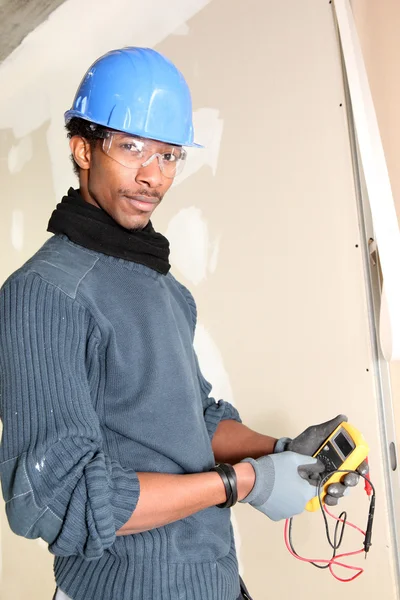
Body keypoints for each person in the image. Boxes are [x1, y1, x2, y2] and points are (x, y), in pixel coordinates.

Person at [0, 47, 362, 600]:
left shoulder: (166, 290)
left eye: (170, 155)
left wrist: (282, 452)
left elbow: (194, 421)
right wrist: (240, 483)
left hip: (212, 580)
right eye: (131, 147)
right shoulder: (45, 293)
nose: (153, 175)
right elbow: (53, 497)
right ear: (82, 149)